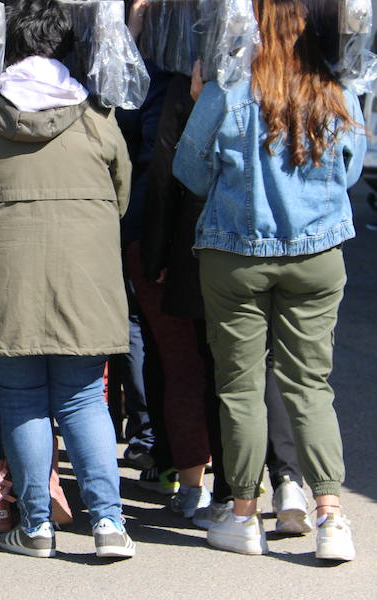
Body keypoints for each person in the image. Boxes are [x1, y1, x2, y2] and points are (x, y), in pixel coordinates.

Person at [0, 0, 134, 559]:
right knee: (82, 400)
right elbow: (120, 197)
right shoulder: (97, 117)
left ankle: (37, 525)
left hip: (2, 283)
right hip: (84, 279)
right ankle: (109, 525)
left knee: (20, 400)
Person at [174, 0, 365, 560]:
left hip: (235, 253)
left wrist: (199, 105)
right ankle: (331, 516)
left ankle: (242, 514)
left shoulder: (227, 89)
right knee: (310, 385)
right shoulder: (335, 89)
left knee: (239, 387)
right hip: (317, 252)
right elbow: (350, 171)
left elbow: (190, 170)